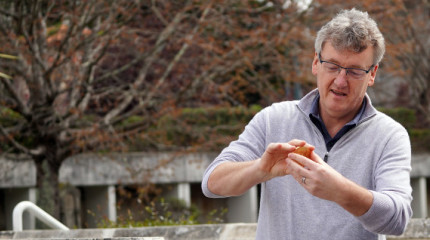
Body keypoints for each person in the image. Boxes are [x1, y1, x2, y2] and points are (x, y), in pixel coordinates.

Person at [201, 8, 412, 240]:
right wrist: (260, 169)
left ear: (372, 74)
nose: (340, 81)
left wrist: (339, 190)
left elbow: (398, 218)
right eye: (332, 66)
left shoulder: (390, 136)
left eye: (354, 71)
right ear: (315, 63)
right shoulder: (273, 119)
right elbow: (212, 183)